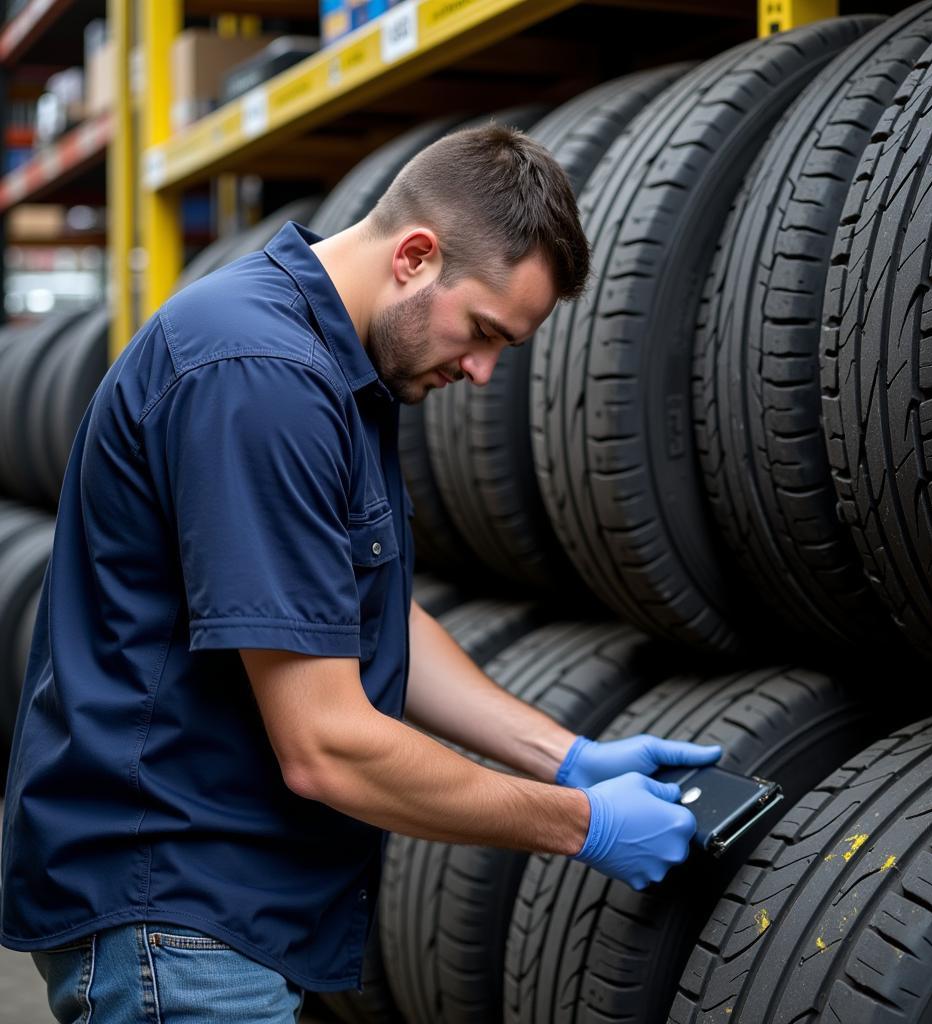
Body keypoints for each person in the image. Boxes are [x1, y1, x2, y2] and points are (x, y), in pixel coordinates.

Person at [0, 124, 721, 1023]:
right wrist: (583, 825)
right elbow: (326, 745)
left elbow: (361, 619)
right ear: (416, 257)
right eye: (485, 331)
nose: (485, 372)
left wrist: (567, 756)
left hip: (215, 904)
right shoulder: (261, 377)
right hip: (174, 911)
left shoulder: (329, 364)